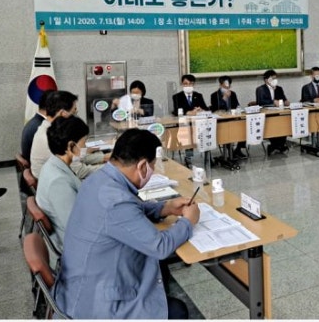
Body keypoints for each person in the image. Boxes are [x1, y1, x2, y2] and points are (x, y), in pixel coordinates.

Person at [53, 129, 200, 319]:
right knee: (177, 310)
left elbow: (132, 209)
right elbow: (160, 246)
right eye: (152, 166)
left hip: (82, 283)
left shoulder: (100, 179)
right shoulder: (115, 201)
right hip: (97, 303)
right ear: (142, 166)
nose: (152, 171)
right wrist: (188, 221)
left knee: (159, 275)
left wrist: (165, 208)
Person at [35, 115, 89, 252]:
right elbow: (77, 226)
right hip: (75, 247)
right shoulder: (58, 182)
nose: (85, 147)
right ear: (71, 146)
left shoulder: (53, 164)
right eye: (84, 142)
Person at [30, 90, 105, 180]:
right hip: (59, 182)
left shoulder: (50, 128)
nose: (75, 117)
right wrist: (112, 167)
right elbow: (79, 171)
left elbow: (76, 156)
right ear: (63, 113)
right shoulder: (51, 136)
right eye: (74, 112)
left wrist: (103, 157)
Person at [172, 74, 209, 166]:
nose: (188, 86)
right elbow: (176, 111)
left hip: (198, 124)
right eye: (186, 83)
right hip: (184, 125)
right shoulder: (177, 96)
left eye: (191, 83)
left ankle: (208, 157)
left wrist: (201, 110)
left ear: (194, 84)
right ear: (182, 84)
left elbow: (206, 108)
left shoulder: (198, 95)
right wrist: (189, 112)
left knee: (208, 131)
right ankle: (188, 157)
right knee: (188, 133)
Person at [210, 75, 247, 159]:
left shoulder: (233, 94)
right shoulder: (214, 95)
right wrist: (224, 98)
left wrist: (237, 110)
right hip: (221, 121)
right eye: (224, 87)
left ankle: (238, 149)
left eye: (228, 86)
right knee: (226, 129)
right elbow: (215, 109)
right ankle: (230, 151)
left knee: (244, 126)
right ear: (220, 85)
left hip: (233, 118)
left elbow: (237, 106)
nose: (227, 88)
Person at [255, 70, 289, 155]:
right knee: (272, 125)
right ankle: (276, 146)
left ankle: (278, 146)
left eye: (275, 78)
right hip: (267, 114)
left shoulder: (279, 88)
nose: (275, 80)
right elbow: (260, 102)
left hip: (279, 113)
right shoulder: (260, 89)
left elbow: (284, 99)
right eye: (272, 78)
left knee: (285, 123)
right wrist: (273, 102)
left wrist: (286, 102)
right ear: (266, 80)